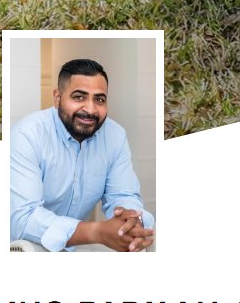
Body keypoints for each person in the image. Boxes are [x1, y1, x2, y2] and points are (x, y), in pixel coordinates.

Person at [10, 58, 155, 252]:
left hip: (72, 248)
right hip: (20, 247)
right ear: (57, 98)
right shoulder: (27, 135)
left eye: (99, 99)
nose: (90, 109)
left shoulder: (115, 136)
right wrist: (96, 232)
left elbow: (122, 195)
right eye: (79, 97)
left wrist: (131, 220)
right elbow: (23, 219)